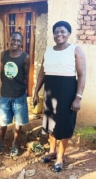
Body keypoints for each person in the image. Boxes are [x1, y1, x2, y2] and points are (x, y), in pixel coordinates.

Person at [33, 21, 86, 172]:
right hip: (50, 91)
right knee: (49, 123)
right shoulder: (48, 51)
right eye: (56, 32)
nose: (59, 34)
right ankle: (52, 151)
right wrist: (36, 91)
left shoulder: (75, 50)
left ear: (69, 34)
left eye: (62, 31)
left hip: (67, 92)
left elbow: (82, 75)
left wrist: (78, 97)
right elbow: (42, 73)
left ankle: (60, 158)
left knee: (63, 125)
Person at [0, 32, 30, 156]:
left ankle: (15, 144)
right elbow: (2, 73)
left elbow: (25, 75)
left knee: (18, 122)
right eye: (14, 39)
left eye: (19, 41)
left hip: (19, 95)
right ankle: (1, 141)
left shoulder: (25, 57)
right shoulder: (3, 54)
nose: (16, 42)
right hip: (5, 94)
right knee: (3, 121)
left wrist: (17, 86)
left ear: (21, 43)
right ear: (10, 40)